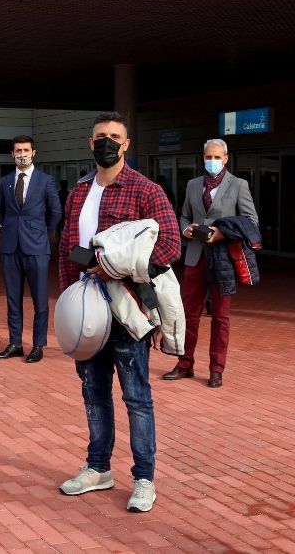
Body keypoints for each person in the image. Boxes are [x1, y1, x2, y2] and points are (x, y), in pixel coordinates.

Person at [56, 112, 181, 513]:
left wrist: (118, 266)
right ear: (90, 144)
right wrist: (67, 300)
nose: (106, 143)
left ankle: (144, 478)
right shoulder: (78, 192)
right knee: (93, 393)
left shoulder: (147, 191)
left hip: (128, 312)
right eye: (100, 137)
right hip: (88, 311)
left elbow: (170, 247)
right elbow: (65, 249)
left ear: (127, 145)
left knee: (136, 397)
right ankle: (98, 468)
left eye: (114, 137)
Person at [164, 138, 258, 388]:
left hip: (223, 259)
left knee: (221, 316)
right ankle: (185, 363)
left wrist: (222, 232)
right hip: (196, 256)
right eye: (208, 157)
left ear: (226, 159)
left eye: (217, 157)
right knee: (189, 313)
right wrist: (186, 230)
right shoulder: (193, 185)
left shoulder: (239, 185)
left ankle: (217, 368)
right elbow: (183, 215)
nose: (212, 161)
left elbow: (251, 222)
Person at [0, 135, 61, 363]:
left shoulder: (45, 181)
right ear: (12, 154)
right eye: (18, 151)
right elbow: (0, 211)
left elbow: (56, 212)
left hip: (37, 248)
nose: (22, 154)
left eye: (26, 150)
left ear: (34, 152)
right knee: (13, 299)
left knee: (40, 300)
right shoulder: (4, 182)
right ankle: (15, 343)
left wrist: (43, 233)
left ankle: (38, 345)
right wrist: (10, 228)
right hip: (10, 247)